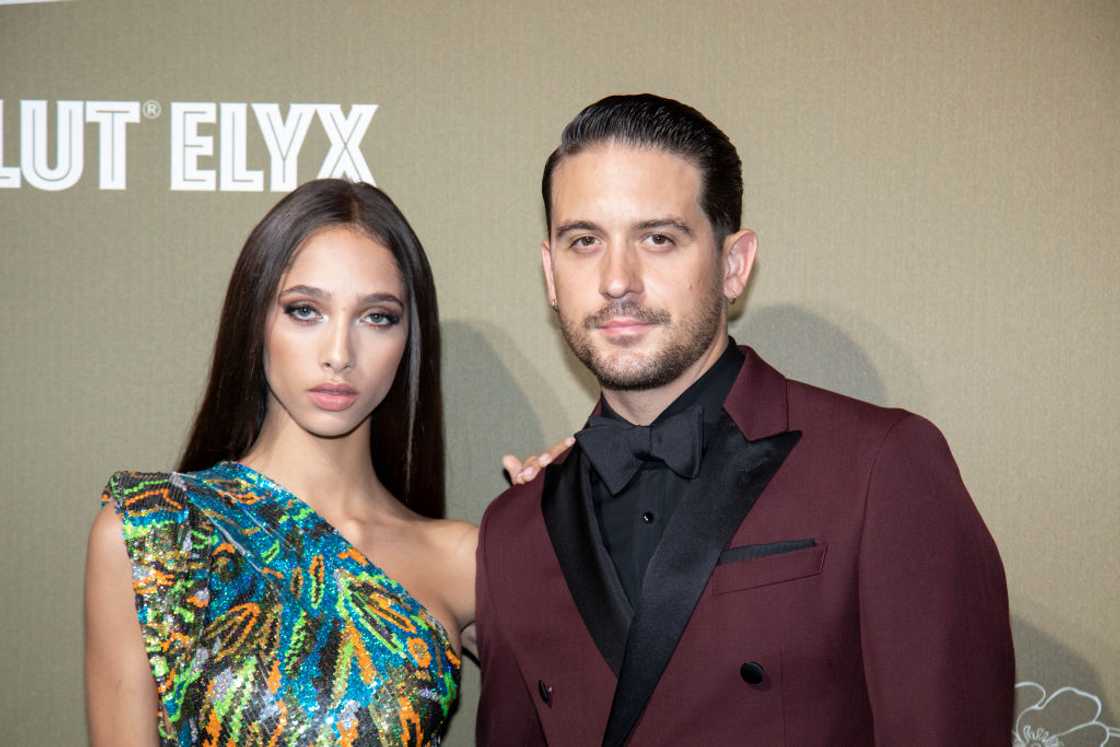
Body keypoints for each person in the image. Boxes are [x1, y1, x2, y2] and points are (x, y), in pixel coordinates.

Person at [476, 94, 1015, 745]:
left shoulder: (880, 468)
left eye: (658, 238)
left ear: (734, 264)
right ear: (550, 273)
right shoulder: (513, 528)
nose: (618, 279)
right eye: (584, 241)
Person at [85, 179, 476, 746]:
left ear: (410, 338)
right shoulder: (156, 530)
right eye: (305, 311)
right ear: (256, 318)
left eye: (378, 317)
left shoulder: (463, 559)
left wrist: (571, 489)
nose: (339, 354)